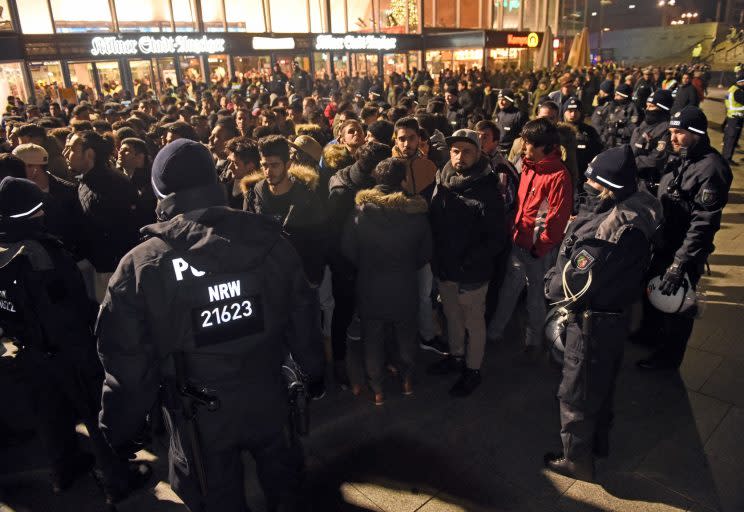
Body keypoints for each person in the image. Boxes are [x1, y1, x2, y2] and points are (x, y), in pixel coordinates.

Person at [96, 139, 325, 512]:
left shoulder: (142, 266)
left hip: (200, 416)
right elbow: (303, 317)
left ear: (161, 192)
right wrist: (313, 374)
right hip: (266, 392)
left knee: (218, 499)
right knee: (286, 485)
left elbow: (126, 362)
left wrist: (119, 427)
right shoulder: (270, 241)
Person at [0, 177, 150, 504]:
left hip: (27, 350)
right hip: (68, 350)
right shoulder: (42, 253)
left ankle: (64, 471)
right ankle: (117, 478)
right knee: (96, 415)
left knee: (50, 414)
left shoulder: (4, 250)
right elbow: (69, 306)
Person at [543, 146, 663, 481]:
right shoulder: (639, 208)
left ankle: (576, 460)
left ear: (607, 186)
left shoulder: (609, 231)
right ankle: (599, 444)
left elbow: (569, 285)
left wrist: (550, 278)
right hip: (615, 314)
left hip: (591, 320)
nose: (586, 183)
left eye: (593, 180)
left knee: (575, 392)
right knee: (602, 385)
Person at [636, 107, 733, 370]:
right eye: (671, 132)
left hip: (684, 251)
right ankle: (648, 333)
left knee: (676, 306)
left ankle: (667, 359)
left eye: (679, 133)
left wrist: (680, 264)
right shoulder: (680, 158)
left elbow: (703, 223)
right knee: (652, 291)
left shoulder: (711, 169)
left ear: (697, 133)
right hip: (664, 242)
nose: (673, 138)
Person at [342, 158, 432, 405]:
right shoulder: (415, 213)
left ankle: (378, 389)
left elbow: (347, 249)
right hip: (404, 284)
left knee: (372, 338)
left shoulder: (360, 212)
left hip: (370, 285)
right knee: (405, 335)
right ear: (403, 180)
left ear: (376, 181)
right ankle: (406, 381)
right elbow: (425, 254)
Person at [428, 129, 507, 397]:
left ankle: (472, 370)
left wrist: (469, 262)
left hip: (471, 272)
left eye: (467, 151)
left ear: (479, 153)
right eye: (455, 150)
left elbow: (497, 239)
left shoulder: (487, 190)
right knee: (452, 316)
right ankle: (456, 356)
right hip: (446, 268)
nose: (459, 156)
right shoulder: (443, 178)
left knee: (473, 322)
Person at [487, 119, 573, 360]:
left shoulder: (559, 175)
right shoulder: (528, 166)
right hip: (519, 241)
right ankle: (495, 332)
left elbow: (557, 219)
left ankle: (533, 341)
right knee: (508, 290)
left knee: (535, 297)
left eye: (528, 144)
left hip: (538, 249)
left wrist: (541, 247)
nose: (523, 147)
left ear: (544, 146)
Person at [327, 142, 392, 389]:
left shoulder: (361, 180)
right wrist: (342, 268)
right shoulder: (344, 191)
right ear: (376, 169)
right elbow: (332, 235)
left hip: (369, 262)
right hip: (347, 266)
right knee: (343, 314)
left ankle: (376, 362)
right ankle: (340, 363)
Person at [63, 130, 139, 301]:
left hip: (112, 270)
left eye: (72, 149)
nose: (66, 154)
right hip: (98, 265)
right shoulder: (87, 181)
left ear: (89, 154)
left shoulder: (111, 186)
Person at [243, 135, 326, 287]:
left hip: (300, 280)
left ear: (288, 165)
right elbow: (247, 239)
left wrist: (311, 280)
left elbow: (319, 243)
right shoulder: (253, 196)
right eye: (264, 165)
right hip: (267, 280)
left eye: (274, 165)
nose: (268, 171)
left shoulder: (308, 198)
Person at [629, 89, 674, 194]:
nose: (647, 109)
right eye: (647, 105)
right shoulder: (645, 124)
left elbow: (656, 159)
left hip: (649, 181)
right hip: (633, 177)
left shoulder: (667, 129)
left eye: (652, 106)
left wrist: (631, 163)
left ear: (662, 108)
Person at [562, 98, 602, 198]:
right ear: (564, 112)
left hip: (584, 178)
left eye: (576, 111)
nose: (572, 114)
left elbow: (598, 153)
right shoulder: (558, 131)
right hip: (563, 177)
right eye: (569, 111)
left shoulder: (590, 131)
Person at [116, 137, 157, 226]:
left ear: (140, 157)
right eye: (120, 149)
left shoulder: (150, 181)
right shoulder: (115, 177)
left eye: (126, 150)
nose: (120, 152)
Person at [600, 83, 642, 148]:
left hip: (622, 144)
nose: (615, 97)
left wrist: (618, 131)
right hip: (609, 143)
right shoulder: (613, 105)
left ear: (624, 96)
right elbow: (606, 122)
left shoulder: (633, 108)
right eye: (615, 94)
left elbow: (634, 130)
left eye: (617, 95)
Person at [223, 136, 260, 209]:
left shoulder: (257, 192)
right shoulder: (225, 182)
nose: (230, 167)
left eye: (235, 163)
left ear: (250, 165)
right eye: (230, 162)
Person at [493, 89, 527, 153]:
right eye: (499, 99)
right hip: (498, 150)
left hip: (512, 151)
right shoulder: (499, 114)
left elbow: (525, 136)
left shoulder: (519, 115)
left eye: (504, 99)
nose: (500, 102)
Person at [722, 71, 744, 166]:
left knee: (728, 139)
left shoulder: (732, 89)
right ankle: (727, 158)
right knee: (731, 140)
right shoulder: (738, 92)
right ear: (741, 82)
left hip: (731, 117)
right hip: (736, 118)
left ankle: (725, 157)